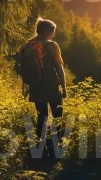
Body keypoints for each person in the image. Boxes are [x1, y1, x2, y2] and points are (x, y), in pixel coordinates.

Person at [18, 18, 67, 155]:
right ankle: (57, 148)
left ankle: (40, 148)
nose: (53, 35)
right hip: (51, 85)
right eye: (53, 32)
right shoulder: (52, 45)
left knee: (42, 117)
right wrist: (64, 87)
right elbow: (59, 68)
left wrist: (26, 88)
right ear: (46, 31)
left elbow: (23, 70)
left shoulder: (26, 46)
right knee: (58, 115)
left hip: (35, 86)